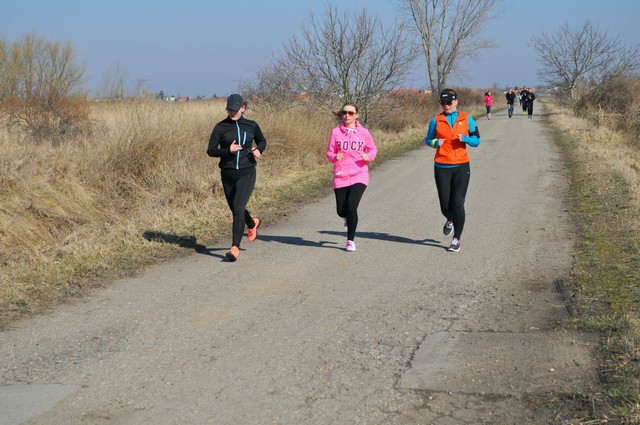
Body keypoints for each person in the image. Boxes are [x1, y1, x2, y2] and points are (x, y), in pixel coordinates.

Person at [207, 94, 267, 262]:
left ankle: (234, 248)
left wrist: (258, 150)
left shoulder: (252, 125)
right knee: (235, 208)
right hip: (227, 173)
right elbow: (211, 150)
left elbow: (262, 141)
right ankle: (252, 223)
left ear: (243, 108)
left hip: (247, 172)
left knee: (238, 207)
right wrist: (228, 150)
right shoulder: (220, 127)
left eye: (235, 110)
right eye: (230, 110)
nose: (232, 113)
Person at [424, 88, 481, 252]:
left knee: (457, 203)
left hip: (461, 166)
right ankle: (449, 219)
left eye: (449, 102)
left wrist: (466, 139)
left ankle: (456, 238)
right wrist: (435, 143)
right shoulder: (436, 120)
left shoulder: (467, 119)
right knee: (445, 205)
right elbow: (428, 139)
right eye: (443, 103)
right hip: (441, 166)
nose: (446, 105)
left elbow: (477, 141)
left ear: (456, 102)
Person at [326, 103, 377, 252]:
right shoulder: (336, 132)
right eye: (344, 113)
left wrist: (368, 156)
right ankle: (347, 218)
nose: (347, 115)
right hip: (340, 175)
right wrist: (334, 157)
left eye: (350, 113)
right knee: (341, 211)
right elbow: (329, 152)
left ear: (356, 115)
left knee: (351, 207)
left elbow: (373, 149)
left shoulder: (364, 133)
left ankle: (350, 240)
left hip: (359, 174)